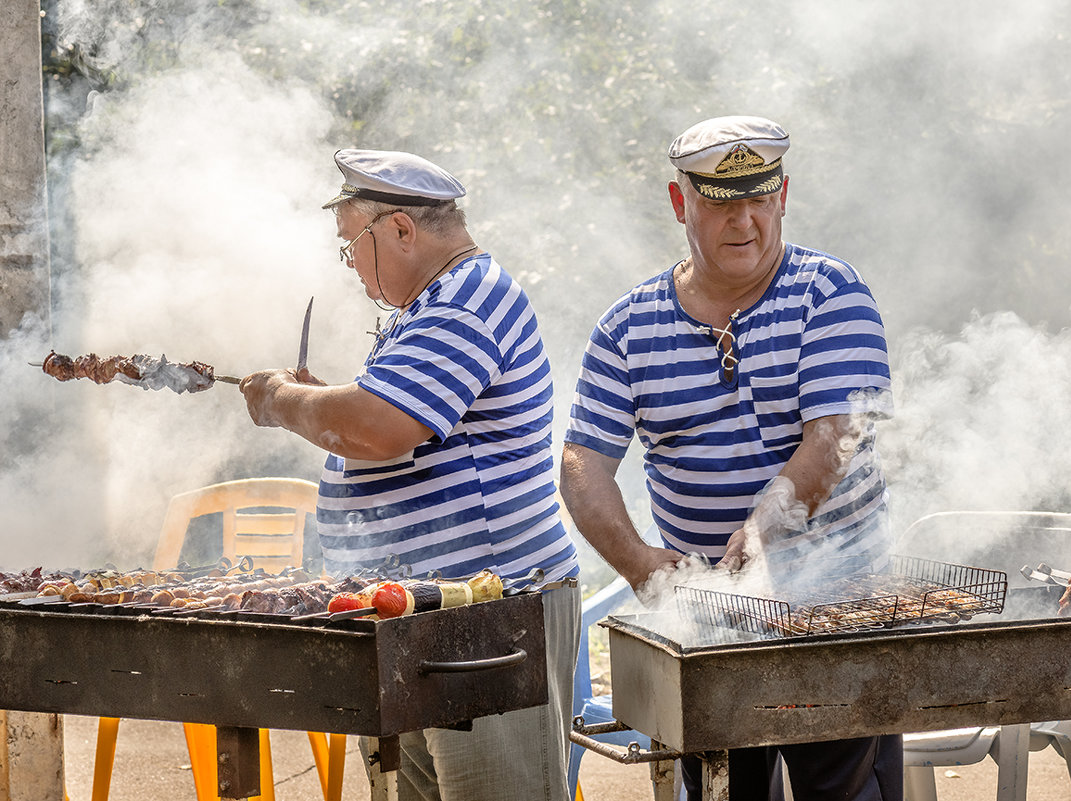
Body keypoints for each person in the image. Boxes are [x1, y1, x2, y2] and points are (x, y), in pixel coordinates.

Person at [560, 116, 901, 800]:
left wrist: (765, 523)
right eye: (721, 203)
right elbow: (582, 463)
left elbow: (834, 434)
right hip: (709, 628)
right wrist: (637, 561)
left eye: (759, 198)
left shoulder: (831, 292)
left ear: (783, 196)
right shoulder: (628, 327)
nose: (745, 221)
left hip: (835, 618)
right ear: (681, 203)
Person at [240, 148, 580, 801]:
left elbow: (377, 425)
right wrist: (328, 405)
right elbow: (389, 432)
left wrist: (283, 400)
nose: (349, 267)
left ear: (399, 229)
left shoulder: (468, 296)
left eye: (350, 246)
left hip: (486, 615)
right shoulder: (428, 308)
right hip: (427, 617)